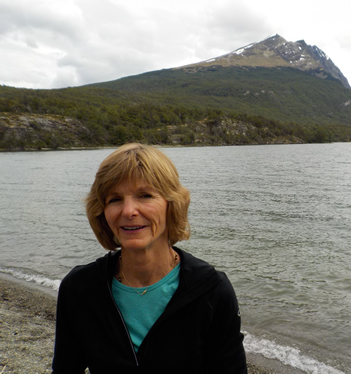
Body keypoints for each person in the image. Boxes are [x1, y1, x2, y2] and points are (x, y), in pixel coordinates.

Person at [52, 143, 247, 373]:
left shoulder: (212, 291)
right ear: (102, 212)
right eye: (115, 199)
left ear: (172, 205)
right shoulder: (79, 289)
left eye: (145, 195)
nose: (128, 211)